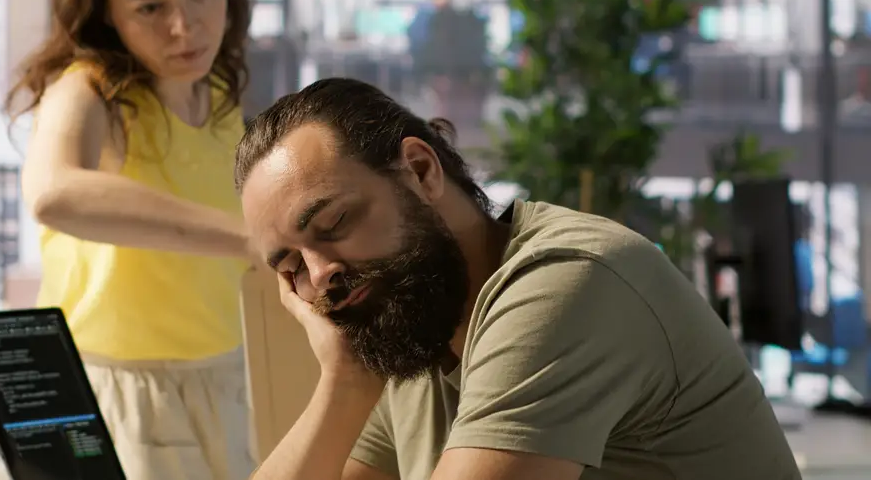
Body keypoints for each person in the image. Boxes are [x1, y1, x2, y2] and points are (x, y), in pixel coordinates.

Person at [233, 77, 801, 480]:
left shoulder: (565, 284)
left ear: (421, 170)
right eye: (291, 268)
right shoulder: (411, 324)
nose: (322, 275)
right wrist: (347, 379)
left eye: (335, 222)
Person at [7, 0, 256, 480]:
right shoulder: (88, 91)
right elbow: (52, 192)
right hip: (114, 394)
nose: (186, 27)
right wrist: (249, 237)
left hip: (225, 379)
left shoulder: (222, 96)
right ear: (106, 14)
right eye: (150, 7)